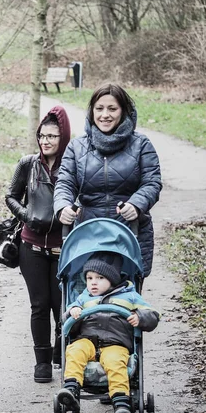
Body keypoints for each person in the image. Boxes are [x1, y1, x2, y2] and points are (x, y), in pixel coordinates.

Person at [54, 83, 162, 277]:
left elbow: (152, 182)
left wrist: (136, 204)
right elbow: (65, 183)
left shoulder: (141, 144)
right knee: (85, 295)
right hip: (87, 232)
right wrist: (63, 206)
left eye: (112, 108)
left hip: (129, 230)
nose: (105, 115)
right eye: (99, 108)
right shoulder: (77, 147)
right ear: (91, 111)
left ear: (124, 111)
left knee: (125, 297)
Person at [5, 106, 71, 383]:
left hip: (63, 247)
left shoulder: (73, 164)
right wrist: (27, 216)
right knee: (39, 305)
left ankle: (62, 353)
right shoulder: (27, 163)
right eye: (42, 135)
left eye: (52, 136)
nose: (45, 141)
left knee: (62, 307)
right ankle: (42, 361)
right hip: (30, 247)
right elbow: (11, 197)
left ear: (63, 137)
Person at [59, 251, 160, 413]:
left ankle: (120, 400)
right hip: (87, 340)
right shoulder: (84, 298)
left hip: (115, 343)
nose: (93, 283)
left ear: (112, 279)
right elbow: (66, 323)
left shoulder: (130, 296)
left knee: (115, 362)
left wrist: (140, 317)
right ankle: (71, 388)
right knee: (75, 350)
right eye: (89, 278)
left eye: (99, 278)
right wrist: (72, 313)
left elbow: (153, 315)